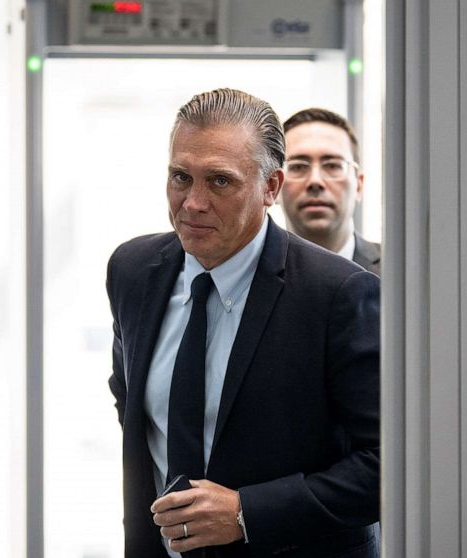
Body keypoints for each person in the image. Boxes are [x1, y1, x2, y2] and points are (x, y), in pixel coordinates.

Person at [106, 89, 381, 557]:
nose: (193, 202)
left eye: (219, 181)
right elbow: (131, 401)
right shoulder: (133, 270)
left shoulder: (338, 293)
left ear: (271, 188)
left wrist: (245, 513)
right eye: (180, 177)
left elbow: (387, 466)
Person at [280, 108, 380, 274]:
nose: (315, 181)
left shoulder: (401, 270)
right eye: (298, 166)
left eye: (333, 165)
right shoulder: (247, 277)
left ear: (359, 185)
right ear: (274, 185)